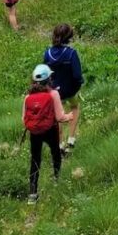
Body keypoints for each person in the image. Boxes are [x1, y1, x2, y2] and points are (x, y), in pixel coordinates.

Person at [22, 63, 72, 204]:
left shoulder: (28, 97)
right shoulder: (53, 94)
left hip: (34, 132)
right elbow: (60, 117)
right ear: (49, 79)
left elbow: (23, 119)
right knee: (55, 153)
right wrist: (70, 116)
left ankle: (32, 194)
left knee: (35, 160)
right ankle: (56, 179)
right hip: (51, 130)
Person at [43, 23, 83, 153]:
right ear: (69, 37)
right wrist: (78, 86)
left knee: (57, 116)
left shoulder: (47, 54)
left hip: (54, 91)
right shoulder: (71, 53)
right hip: (70, 90)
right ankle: (71, 138)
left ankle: (59, 145)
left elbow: (45, 73)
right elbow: (77, 75)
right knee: (75, 107)